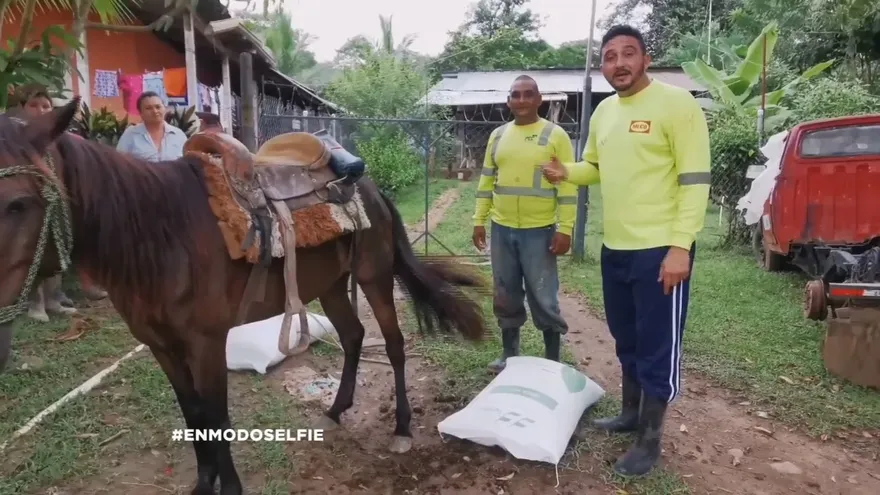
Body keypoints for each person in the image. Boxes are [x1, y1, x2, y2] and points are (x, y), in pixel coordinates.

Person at [542, 25, 711, 477]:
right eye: (610, 56)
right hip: (614, 248)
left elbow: (695, 181)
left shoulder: (678, 104)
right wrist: (565, 172)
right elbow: (595, 167)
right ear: (603, 65)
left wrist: (680, 248)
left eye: (628, 54)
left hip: (660, 250)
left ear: (645, 59)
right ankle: (631, 413)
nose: (619, 63)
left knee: (657, 346)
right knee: (627, 338)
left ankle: (649, 440)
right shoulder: (603, 114)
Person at [472, 75, 578, 373]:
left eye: (527, 94)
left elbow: (568, 186)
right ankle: (509, 354)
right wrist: (479, 220)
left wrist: (565, 228)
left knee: (543, 295)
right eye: (515, 95)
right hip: (502, 229)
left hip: (540, 231)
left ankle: (552, 361)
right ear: (508, 101)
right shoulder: (498, 135)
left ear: (538, 99)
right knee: (505, 293)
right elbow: (486, 181)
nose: (521, 100)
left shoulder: (555, 135)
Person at [13, 86, 108, 322]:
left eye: (46, 106)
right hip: (28, 207)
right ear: (22, 108)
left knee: (55, 250)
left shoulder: (60, 138)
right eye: (34, 105)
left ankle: (54, 300)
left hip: (55, 204)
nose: (41, 110)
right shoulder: (13, 137)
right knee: (33, 253)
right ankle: (36, 304)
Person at [116, 91, 187, 161]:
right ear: (140, 112)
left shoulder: (178, 135)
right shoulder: (131, 134)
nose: (155, 111)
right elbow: (119, 162)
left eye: (158, 107)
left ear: (164, 109)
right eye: (148, 108)